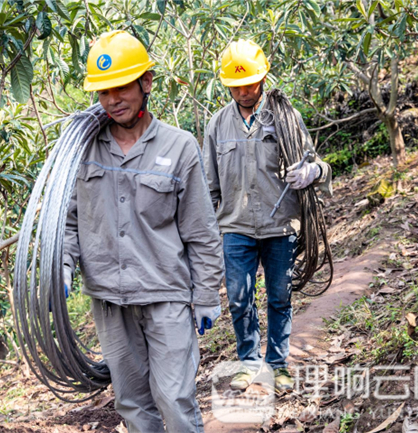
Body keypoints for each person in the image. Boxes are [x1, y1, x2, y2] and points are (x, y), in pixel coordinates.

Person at [63, 30, 224, 432]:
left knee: (174, 400)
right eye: (103, 92)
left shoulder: (180, 146)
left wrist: (205, 295)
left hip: (165, 294)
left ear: (146, 83)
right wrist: (62, 265)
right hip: (109, 299)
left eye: (121, 88)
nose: (112, 100)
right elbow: (67, 220)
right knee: (133, 404)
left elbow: (201, 230)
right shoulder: (83, 150)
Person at [202, 40, 332, 392]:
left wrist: (311, 174)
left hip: (280, 226)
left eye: (250, 83)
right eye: (236, 85)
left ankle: (277, 364)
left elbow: (318, 164)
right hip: (235, 227)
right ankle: (248, 362)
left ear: (263, 77)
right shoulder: (216, 126)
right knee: (240, 297)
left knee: (279, 296)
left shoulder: (286, 119)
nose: (244, 91)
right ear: (226, 84)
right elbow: (208, 186)